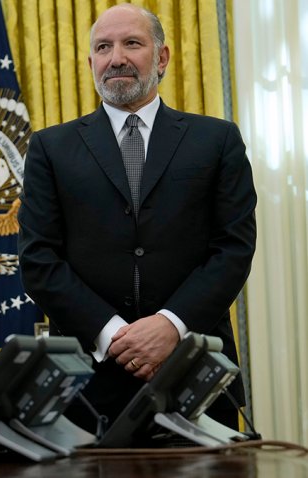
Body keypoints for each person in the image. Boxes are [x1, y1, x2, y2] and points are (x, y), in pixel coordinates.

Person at [17, 3, 256, 432]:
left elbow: (233, 249)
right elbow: (38, 260)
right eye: (103, 47)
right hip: (86, 385)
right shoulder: (50, 148)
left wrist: (170, 325)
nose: (116, 58)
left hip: (194, 370)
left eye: (132, 43)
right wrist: (115, 337)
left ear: (161, 57)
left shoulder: (217, 140)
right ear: (91, 63)